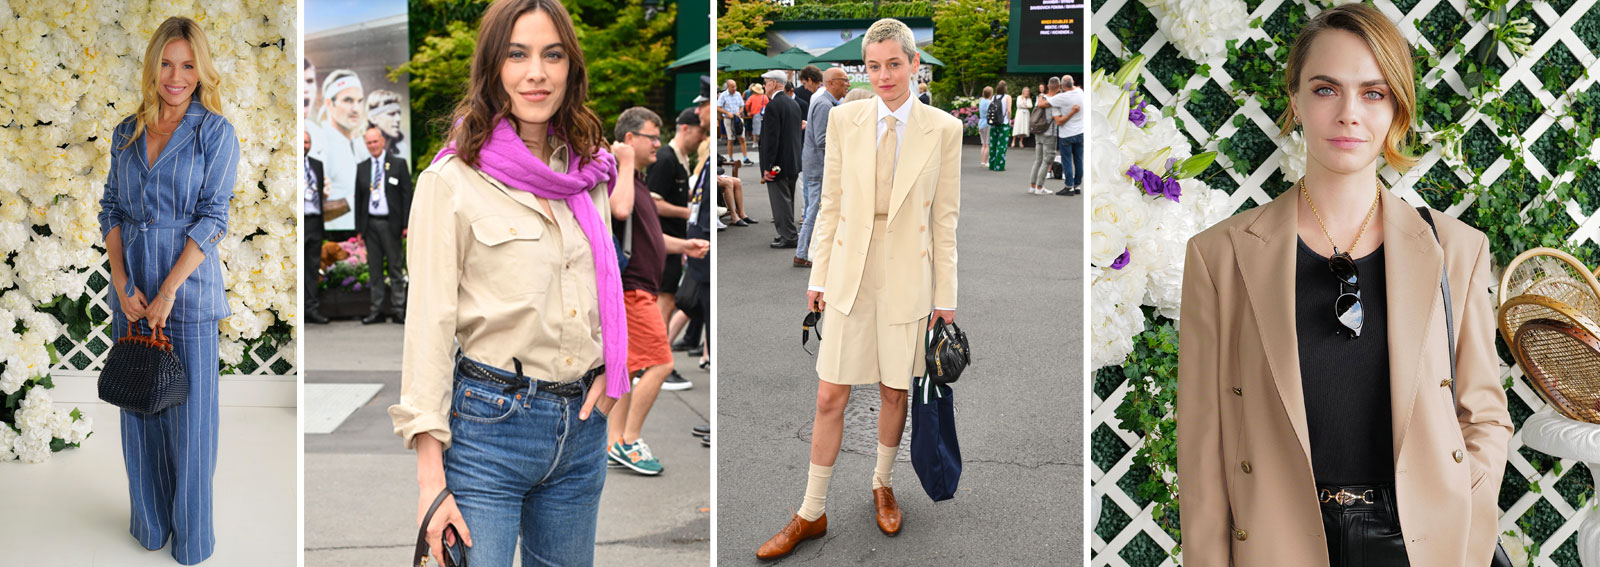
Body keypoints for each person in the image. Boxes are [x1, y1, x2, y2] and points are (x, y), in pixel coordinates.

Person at [1175, 5, 1511, 566]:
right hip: (1279, 540)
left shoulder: (1457, 250)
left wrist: (1464, 518)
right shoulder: (1220, 256)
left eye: (1374, 93)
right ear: (1296, 100)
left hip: (1420, 544)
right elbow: (1202, 445)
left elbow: (1484, 413)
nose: (1350, 113)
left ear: (1397, 107)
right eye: (1327, 88)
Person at [389, 1, 635, 564]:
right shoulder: (451, 181)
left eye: (552, 55)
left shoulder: (587, 171)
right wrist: (431, 480)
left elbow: (603, 289)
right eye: (517, 54)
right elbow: (428, 327)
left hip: (581, 431)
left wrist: (614, 375)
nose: (536, 73)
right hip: (489, 427)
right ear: (493, 67)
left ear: (570, 67)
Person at [756, 18, 961, 560]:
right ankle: (811, 510)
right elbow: (830, 204)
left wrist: (946, 298)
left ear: (915, 64)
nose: (884, 75)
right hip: (850, 269)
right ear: (862, 70)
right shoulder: (845, 118)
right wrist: (818, 274)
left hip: (909, 277)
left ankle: (882, 482)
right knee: (830, 394)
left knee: (896, 392)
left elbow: (946, 221)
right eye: (873, 66)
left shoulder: (943, 128)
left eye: (894, 63)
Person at [98, 16, 239, 564]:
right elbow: (110, 206)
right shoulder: (126, 130)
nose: (176, 77)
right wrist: (122, 280)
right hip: (132, 294)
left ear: (200, 70)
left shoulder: (215, 132)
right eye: (166, 63)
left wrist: (168, 291)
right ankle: (150, 527)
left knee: (194, 426)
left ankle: (193, 541)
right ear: (152, 65)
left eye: (187, 65)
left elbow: (212, 217)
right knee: (138, 411)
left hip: (190, 296)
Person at [605, 107, 710, 476]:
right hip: (633, 289)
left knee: (628, 371)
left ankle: (616, 441)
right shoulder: (622, 179)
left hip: (639, 288)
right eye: (651, 135)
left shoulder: (638, 181)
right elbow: (619, 211)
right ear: (630, 139)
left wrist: (686, 246)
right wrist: (624, 163)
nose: (657, 142)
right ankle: (628, 440)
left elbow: (650, 237)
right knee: (662, 364)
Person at [645, 107, 705, 391]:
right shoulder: (666, 159)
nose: (702, 136)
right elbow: (653, 203)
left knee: (667, 302)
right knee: (664, 303)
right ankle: (655, 364)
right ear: (686, 128)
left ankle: (656, 362)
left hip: (672, 243)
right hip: (664, 243)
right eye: (701, 131)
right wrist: (688, 212)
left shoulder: (678, 159)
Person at [354, 125, 412, 324]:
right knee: (375, 270)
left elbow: (407, 196)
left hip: (391, 224)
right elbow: (359, 200)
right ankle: (376, 310)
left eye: (375, 141)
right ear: (366, 144)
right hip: (370, 225)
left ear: (383, 141)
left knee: (395, 268)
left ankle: (398, 310)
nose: (373, 145)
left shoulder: (398, 164)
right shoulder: (362, 167)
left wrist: (406, 224)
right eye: (369, 142)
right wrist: (359, 229)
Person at [796, 67, 848, 268]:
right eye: (844, 80)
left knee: (815, 209)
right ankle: (803, 253)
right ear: (832, 82)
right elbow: (822, 139)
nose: (847, 84)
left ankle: (804, 252)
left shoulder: (825, 102)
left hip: (816, 165)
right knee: (815, 211)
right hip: (819, 167)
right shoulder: (825, 104)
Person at [759, 69, 804, 250]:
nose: (764, 85)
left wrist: (768, 166)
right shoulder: (792, 104)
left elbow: (771, 139)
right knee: (788, 199)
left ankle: (788, 235)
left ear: (775, 83)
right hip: (792, 159)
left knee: (780, 201)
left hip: (777, 162)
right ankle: (788, 232)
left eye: (766, 82)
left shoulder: (773, 105)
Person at [313, 69, 366, 222]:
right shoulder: (318, 142)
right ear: (330, 103)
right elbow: (311, 207)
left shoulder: (360, 145)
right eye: (348, 100)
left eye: (359, 101)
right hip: (330, 240)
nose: (356, 108)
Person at [1040, 75, 1083, 195]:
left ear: (1062, 86)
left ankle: (1069, 187)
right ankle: (1077, 185)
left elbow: (1042, 104)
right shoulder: (1080, 92)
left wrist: (1043, 96)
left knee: (1067, 160)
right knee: (1079, 160)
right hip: (1080, 132)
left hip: (1066, 134)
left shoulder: (1060, 98)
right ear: (1073, 82)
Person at [304, 130, 331, 324]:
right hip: (300, 221)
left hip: (315, 222)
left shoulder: (317, 165)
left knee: (313, 268)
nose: (305, 145)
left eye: (307, 142)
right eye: (302, 142)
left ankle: (311, 309)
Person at [1027, 78, 1062, 195]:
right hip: (1049, 133)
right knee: (1047, 161)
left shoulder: (1041, 98)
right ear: (1058, 87)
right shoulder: (1056, 101)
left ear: (1047, 85)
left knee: (1038, 160)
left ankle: (1032, 186)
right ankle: (1040, 187)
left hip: (1038, 131)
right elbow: (1058, 119)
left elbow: (1039, 106)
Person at [366, 89, 410, 159]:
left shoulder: (402, 148)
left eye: (399, 114)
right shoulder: (359, 149)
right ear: (373, 118)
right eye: (391, 114)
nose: (398, 119)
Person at [719, 79, 751, 165]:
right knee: (731, 139)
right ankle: (731, 158)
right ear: (728, 87)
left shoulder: (738, 94)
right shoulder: (723, 95)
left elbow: (742, 106)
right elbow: (718, 107)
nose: (734, 88)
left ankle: (745, 158)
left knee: (742, 138)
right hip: (728, 119)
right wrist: (727, 112)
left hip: (737, 118)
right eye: (732, 87)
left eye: (735, 86)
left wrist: (739, 112)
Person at [987, 80, 1011, 171]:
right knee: (1002, 145)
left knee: (993, 144)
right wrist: (1008, 120)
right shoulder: (1007, 97)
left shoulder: (993, 97)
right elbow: (1008, 110)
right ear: (1005, 88)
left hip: (994, 124)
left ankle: (992, 164)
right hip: (1003, 124)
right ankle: (999, 166)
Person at [977, 86, 992, 166]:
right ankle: (986, 162)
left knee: (983, 144)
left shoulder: (981, 101)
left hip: (981, 123)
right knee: (987, 144)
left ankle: (982, 161)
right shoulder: (989, 102)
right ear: (991, 94)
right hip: (987, 123)